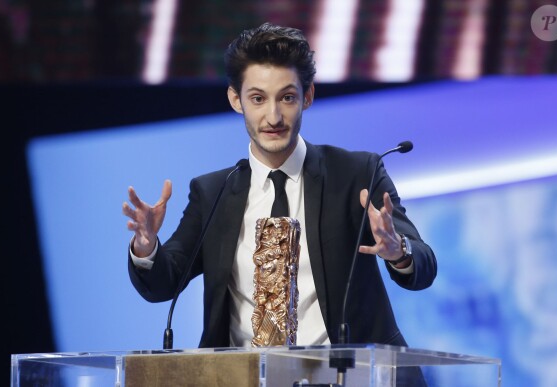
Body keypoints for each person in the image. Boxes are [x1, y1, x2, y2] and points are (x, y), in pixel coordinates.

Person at [123, 22, 437, 385]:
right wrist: (145, 248)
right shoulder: (213, 192)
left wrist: (398, 251)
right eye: (258, 99)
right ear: (236, 99)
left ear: (307, 97)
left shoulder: (357, 174)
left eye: (286, 97)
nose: (273, 117)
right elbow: (164, 283)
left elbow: (424, 266)